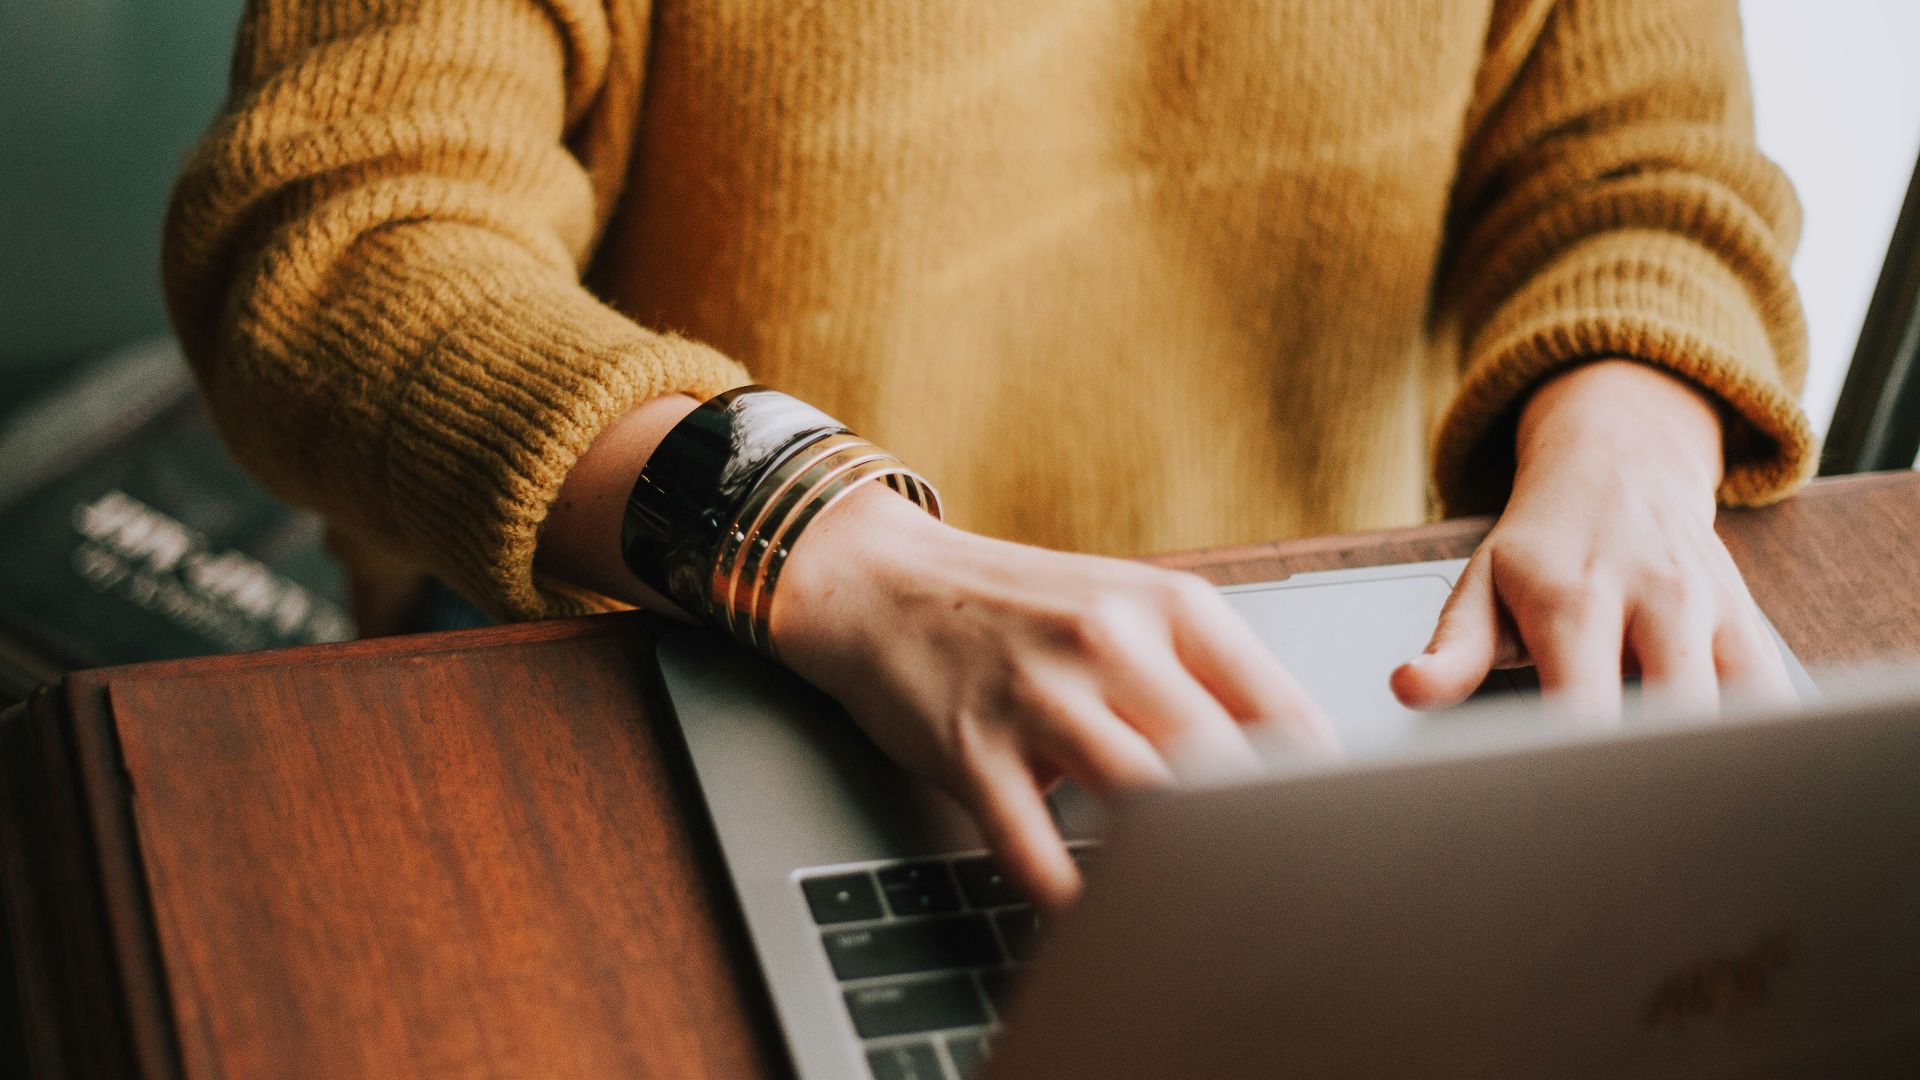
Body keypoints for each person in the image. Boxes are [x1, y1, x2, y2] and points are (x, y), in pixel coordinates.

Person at [163, 0, 1814, 908]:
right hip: (673, 653)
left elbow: (1646, 159)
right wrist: (832, 544)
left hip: (1301, 706)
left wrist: (1629, 444)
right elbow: (342, 232)